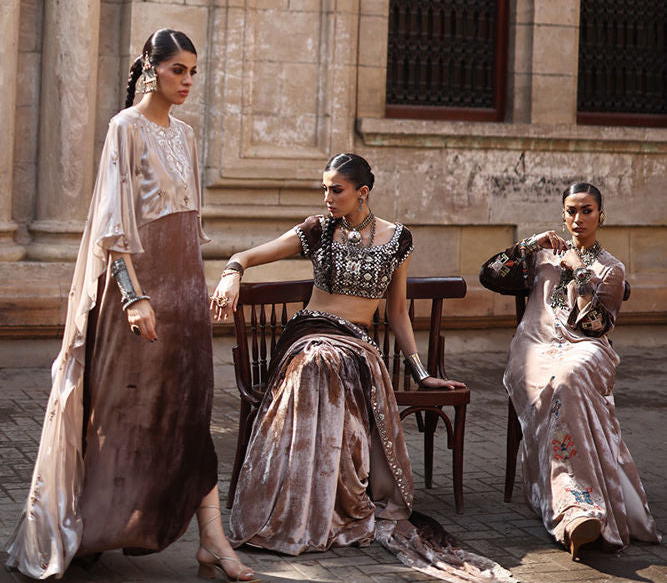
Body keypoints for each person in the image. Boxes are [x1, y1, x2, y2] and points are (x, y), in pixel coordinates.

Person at [6, 29, 256, 583]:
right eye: (177, 70)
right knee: (117, 414)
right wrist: (134, 296)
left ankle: (212, 540)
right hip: (137, 297)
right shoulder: (125, 127)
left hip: (184, 293)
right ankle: (93, 523)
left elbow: (188, 225)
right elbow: (111, 223)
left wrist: (200, 287)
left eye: (193, 72)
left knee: (190, 412)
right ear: (151, 68)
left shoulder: (186, 135)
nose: (187, 81)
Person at [212, 153, 516, 583]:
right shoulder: (317, 230)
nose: (327, 197)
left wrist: (420, 372)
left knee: (329, 362)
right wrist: (231, 273)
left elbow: (397, 312)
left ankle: (328, 501)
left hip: (356, 345)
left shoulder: (397, 239)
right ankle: (296, 505)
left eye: (336, 190)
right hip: (309, 336)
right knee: (317, 360)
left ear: (362, 192)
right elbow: (246, 255)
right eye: (324, 189)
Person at [479, 182, 660, 560]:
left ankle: (578, 506)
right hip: (534, 347)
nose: (578, 218)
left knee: (569, 377)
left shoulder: (611, 268)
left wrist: (580, 273)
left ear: (600, 215)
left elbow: (596, 326)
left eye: (586, 210)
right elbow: (489, 276)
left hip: (586, 347)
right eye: (571, 211)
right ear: (563, 215)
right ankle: (576, 507)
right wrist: (529, 244)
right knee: (561, 379)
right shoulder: (543, 257)